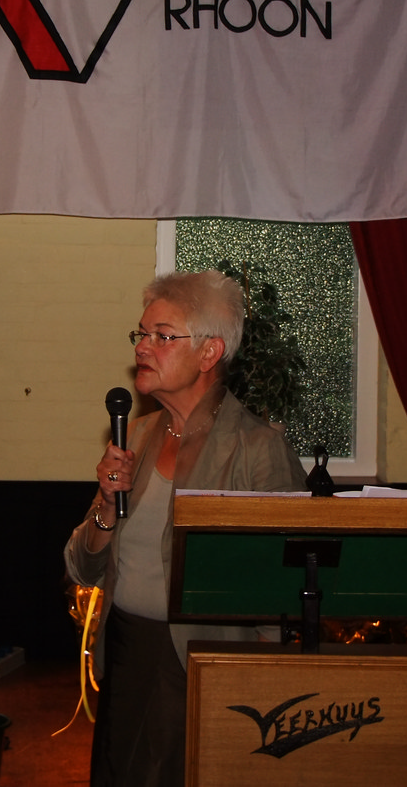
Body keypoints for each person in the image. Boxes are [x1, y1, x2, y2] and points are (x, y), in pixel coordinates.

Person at [64, 270, 307, 787]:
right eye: (141, 334)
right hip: (126, 652)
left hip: (208, 663)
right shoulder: (137, 436)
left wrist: (260, 683)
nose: (143, 347)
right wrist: (106, 504)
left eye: (162, 335)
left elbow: (285, 586)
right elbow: (81, 566)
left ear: (209, 352)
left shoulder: (257, 449)